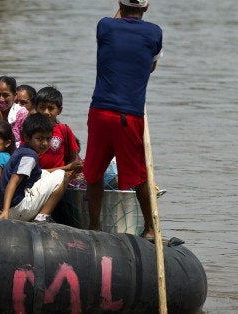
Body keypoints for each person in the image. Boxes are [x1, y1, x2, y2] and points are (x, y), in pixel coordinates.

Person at [83, 0, 163, 240]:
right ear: (146, 8)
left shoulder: (105, 26)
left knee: (93, 173)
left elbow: (115, 26)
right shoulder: (154, 32)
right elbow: (150, 68)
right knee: (139, 175)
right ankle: (150, 228)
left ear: (119, 4)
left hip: (100, 112)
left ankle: (94, 226)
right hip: (130, 115)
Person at [0, 114, 69, 223]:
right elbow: (14, 181)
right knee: (62, 175)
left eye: (48, 139)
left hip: (9, 207)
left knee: (43, 173)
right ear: (26, 137)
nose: (45, 143)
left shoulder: (23, 150)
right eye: (39, 139)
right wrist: (5, 211)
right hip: (15, 209)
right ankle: (42, 217)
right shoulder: (29, 156)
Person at [33, 86, 83, 174]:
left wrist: (69, 171)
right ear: (36, 108)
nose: (46, 112)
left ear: (59, 110)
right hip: (35, 175)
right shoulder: (30, 129)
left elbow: (73, 158)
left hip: (59, 176)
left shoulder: (64, 129)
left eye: (51, 108)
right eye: (42, 107)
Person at [0, 76, 28, 147]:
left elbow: (27, 141)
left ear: (14, 96)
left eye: (5, 95)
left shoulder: (22, 114)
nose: (1, 99)